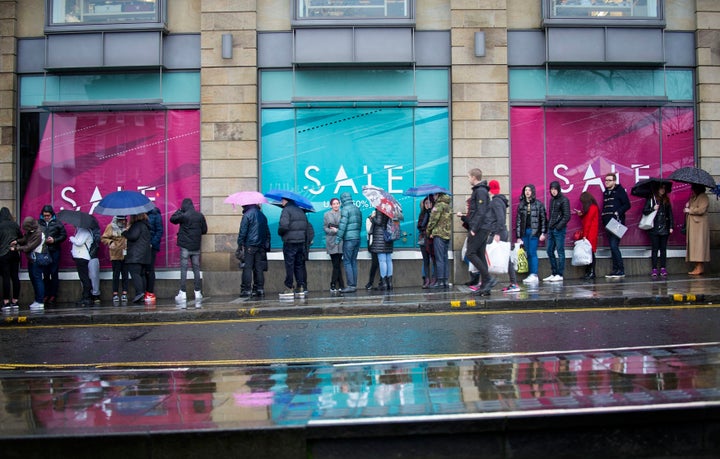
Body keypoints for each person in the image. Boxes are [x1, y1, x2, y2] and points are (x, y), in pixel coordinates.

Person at [463, 168, 496, 295]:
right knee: (480, 255)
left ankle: (488, 278)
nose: (468, 179)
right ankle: (485, 286)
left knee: (470, 253)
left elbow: (481, 212)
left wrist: (474, 229)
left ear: (474, 177)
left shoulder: (481, 191)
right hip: (482, 227)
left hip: (480, 228)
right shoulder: (479, 191)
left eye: (469, 177)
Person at [485, 180, 520, 293]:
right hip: (499, 232)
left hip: (498, 233)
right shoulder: (499, 200)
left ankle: (485, 281)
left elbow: (500, 218)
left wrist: (497, 233)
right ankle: (513, 283)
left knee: (485, 255)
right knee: (506, 258)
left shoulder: (496, 201)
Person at [171, 198, 208, 301]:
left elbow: (172, 219)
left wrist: (179, 210)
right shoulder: (200, 216)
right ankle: (197, 292)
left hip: (185, 246)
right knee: (196, 269)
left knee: (184, 270)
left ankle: (182, 293)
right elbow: (204, 230)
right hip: (195, 246)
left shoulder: (184, 216)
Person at [278, 197, 313, 298]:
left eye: (282, 200)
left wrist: (280, 233)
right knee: (299, 265)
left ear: (286, 201)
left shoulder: (286, 210)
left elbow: (283, 226)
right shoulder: (300, 210)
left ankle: (289, 287)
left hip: (290, 242)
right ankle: (300, 286)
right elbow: (306, 227)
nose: (281, 202)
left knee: (289, 265)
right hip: (300, 242)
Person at [515, 184, 547, 284]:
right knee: (528, 253)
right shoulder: (521, 205)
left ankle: (534, 274)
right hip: (525, 232)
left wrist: (543, 232)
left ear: (532, 192)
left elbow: (543, 219)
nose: (527, 192)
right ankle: (531, 274)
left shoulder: (538, 204)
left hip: (534, 232)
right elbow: (518, 221)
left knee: (532, 252)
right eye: (525, 190)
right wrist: (519, 236)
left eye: (529, 190)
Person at [237, 203, 271, 298]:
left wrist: (240, 244)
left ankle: (246, 290)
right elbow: (267, 232)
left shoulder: (247, 215)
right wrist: (266, 246)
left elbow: (243, 231)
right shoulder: (262, 216)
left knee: (247, 268)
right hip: (260, 246)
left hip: (250, 245)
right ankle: (259, 289)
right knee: (258, 268)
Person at [601, 172, 631, 278]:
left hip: (617, 222)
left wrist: (618, 212)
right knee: (612, 247)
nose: (607, 182)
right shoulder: (605, 193)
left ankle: (621, 270)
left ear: (614, 181)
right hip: (608, 222)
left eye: (609, 180)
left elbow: (627, 204)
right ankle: (615, 270)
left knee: (614, 246)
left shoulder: (620, 191)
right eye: (606, 180)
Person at [38, 205, 67, 306]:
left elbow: (64, 235)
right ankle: (46, 294)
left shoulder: (57, 223)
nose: (46, 217)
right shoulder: (39, 223)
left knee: (54, 273)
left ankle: (53, 295)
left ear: (52, 215)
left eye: (48, 215)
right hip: (44, 251)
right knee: (45, 274)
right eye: (44, 215)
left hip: (54, 250)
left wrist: (54, 240)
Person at [643, 183, 674, 278]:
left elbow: (670, 214)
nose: (662, 190)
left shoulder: (666, 201)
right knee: (655, 249)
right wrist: (652, 208)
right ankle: (654, 268)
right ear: (657, 189)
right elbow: (644, 211)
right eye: (661, 188)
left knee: (663, 249)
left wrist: (671, 226)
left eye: (664, 188)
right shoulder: (652, 199)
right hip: (654, 228)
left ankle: (663, 267)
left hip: (664, 228)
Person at [14, 217, 45, 310]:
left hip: (36, 259)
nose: (26, 230)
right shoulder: (31, 232)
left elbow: (29, 247)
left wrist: (16, 248)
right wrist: (17, 241)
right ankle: (37, 300)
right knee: (34, 279)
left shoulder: (38, 234)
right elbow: (25, 239)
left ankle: (40, 301)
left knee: (37, 280)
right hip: (32, 259)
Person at [335, 192, 362, 293]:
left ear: (342, 200)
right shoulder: (357, 209)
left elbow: (343, 225)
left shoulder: (345, 209)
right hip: (357, 238)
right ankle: (354, 285)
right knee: (353, 261)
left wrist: (338, 238)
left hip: (349, 239)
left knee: (347, 262)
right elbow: (359, 224)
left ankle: (351, 285)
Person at [122, 213, 152, 304]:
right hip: (144, 255)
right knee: (141, 274)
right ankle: (142, 293)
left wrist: (124, 232)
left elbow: (133, 236)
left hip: (136, 255)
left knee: (135, 274)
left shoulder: (137, 225)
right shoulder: (145, 225)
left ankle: (140, 293)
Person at [545, 181, 571, 282]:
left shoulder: (564, 200)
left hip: (559, 229)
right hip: (551, 229)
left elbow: (567, 216)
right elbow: (551, 215)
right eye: (551, 189)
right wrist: (549, 227)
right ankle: (554, 272)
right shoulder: (552, 200)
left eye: (555, 189)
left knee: (560, 251)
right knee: (549, 250)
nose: (553, 191)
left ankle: (560, 274)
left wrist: (558, 227)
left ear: (558, 189)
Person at [426, 192, 452, 289]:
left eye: (434, 195)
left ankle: (440, 281)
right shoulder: (448, 205)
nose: (432, 196)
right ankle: (445, 280)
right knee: (445, 258)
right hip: (446, 235)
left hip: (439, 234)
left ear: (438, 195)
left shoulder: (439, 205)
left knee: (439, 258)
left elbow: (433, 220)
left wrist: (428, 231)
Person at [101, 216, 129, 304]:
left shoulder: (128, 226)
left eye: (124, 219)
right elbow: (104, 238)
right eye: (121, 220)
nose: (123, 221)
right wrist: (110, 242)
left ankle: (125, 293)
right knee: (116, 274)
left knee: (125, 274)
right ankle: (115, 294)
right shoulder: (111, 226)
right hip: (115, 254)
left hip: (126, 253)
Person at [685, 183, 710, 275]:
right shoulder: (694, 197)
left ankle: (699, 266)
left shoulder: (703, 197)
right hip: (694, 225)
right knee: (695, 245)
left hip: (700, 226)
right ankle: (697, 265)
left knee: (699, 246)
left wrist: (690, 210)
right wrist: (688, 204)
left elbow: (701, 210)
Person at [0, 208, 22, 312]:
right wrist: (15, 242)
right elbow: (21, 238)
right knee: (15, 277)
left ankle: (6, 302)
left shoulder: (0, 225)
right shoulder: (15, 225)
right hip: (14, 253)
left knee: (6, 278)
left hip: (3, 254)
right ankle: (15, 300)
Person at [575, 191, 600, 280]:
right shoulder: (592, 207)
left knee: (591, 253)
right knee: (589, 253)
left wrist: (585, 235)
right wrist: (581, 215)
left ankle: (591, 272)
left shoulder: (592, 208)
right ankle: (589, 272)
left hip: (590, 233)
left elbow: (588, 222)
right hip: (589, 232)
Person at [368, 210, 394, 290]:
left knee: (382, 260)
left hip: (380, 237)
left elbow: (379, 222)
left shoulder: (381, 209)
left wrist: (372, 217)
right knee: (388, 260)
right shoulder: (391, 209)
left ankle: (384, 283)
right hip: (389, 236)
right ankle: (390, 283)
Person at [69, 225, 94, 306]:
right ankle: (85, 296)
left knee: (84, 277)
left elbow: (79, 243)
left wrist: (72, 238)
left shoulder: (84, 231)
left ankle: (87, 297)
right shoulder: (80, 231)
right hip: (79, 256)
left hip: (82, 257)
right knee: (83, 277)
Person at [324, 197, 344, 293]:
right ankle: (338, 284)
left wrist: (339, 231)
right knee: (336, 264)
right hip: (331, 241)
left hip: (340, 242)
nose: (336, 205)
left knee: (337, 264)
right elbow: (325, 227)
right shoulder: (327, 214)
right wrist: (331, 230)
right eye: (334, 204)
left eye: (337, 203)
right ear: (331, 205)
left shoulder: (343, 214)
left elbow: (344, 227)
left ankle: (336, 284)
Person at [144, 205, 163, 304]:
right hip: (142, 246)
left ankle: (150, 292)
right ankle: (143, 291)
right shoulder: (139, 214)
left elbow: (159, 231)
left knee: (150, 269)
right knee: (142, 269)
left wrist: (152, 243)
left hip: (151, 246)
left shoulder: (155, 215)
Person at [418, 195, 437, 288]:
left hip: (432, 240)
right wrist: (426, 215)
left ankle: (434, 279)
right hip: (423, 240)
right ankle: (426, 280)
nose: (427, 204)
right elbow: (420, 226)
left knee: (434, 260)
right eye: (426, 203)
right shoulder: (423, 213)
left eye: (429, 203)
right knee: (426, 261)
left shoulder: (435, 213)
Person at [364, 214, 380, 290]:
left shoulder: (386, 218)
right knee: (375, 263)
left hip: (382, 243)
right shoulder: (370, 218)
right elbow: (369, 230)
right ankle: (370, 282)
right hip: (374, 242)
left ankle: (383, 282)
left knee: (382, 263)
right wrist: (373, 219)